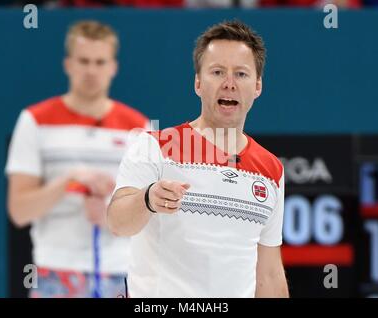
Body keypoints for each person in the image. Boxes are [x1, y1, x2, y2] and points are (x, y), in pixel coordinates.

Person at [107, 20, 288, 297]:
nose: (229, 84)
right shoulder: (153, 146)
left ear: (258, 86)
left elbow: (270, 274)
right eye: (217, 72)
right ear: (198, 83)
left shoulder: (271, 170)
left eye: (241, 74)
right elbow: (118, 223)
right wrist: (148, 199)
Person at [5, 20, 150, 298]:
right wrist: (68, 181)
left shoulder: (139, 127)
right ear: (68, 64)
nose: (91, 71)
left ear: (113, 67)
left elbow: (149, 216)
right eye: (84, 61)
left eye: (100, 62)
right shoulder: (34, 121)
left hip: (122, 272)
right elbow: (19, 211)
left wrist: (110, 214)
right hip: (54, 271)